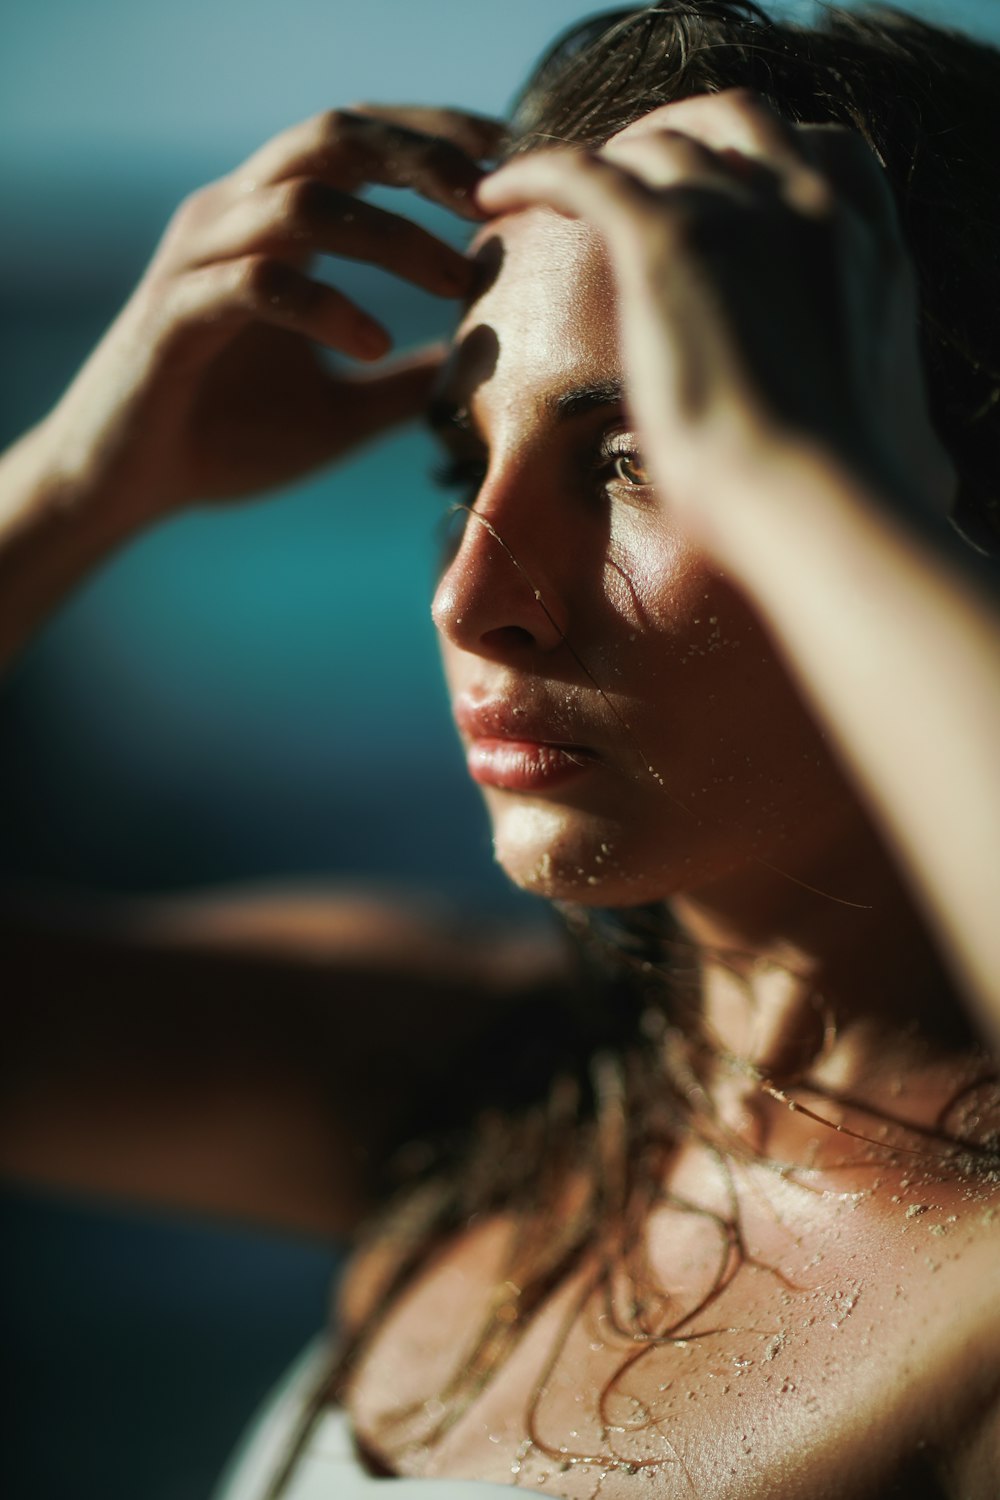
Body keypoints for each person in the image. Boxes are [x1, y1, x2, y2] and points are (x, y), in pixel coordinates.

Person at [2, 2, 999, 1496]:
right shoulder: (478, 1093)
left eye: (636, 457)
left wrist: (795, 485)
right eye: (468, 464)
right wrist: (73, 479)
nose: (472, 597)